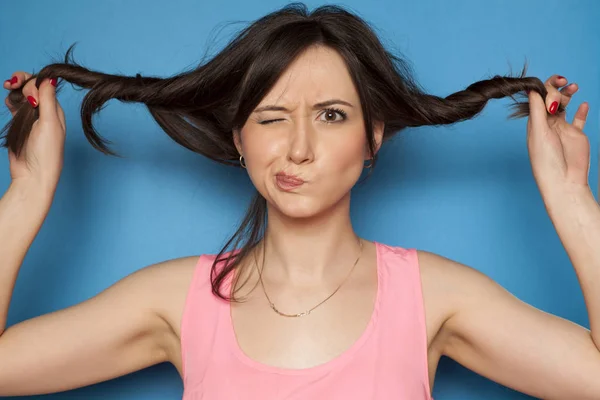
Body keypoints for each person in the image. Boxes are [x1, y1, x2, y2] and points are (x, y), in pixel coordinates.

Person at [0, 3, 597, 399]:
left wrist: (571, 197)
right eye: (272, 117)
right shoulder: (174, 303)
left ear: (373, 137)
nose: (299, 148)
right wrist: (26, 193)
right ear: (240, 137)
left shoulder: (435, 296)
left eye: (332, 116)